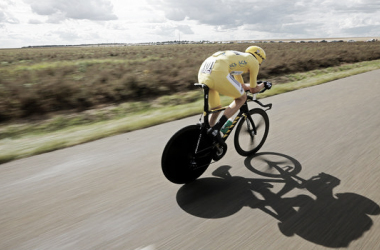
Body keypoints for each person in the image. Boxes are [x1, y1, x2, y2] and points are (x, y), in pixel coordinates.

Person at [198, 46, 272, 144]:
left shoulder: (240, 59)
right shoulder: (253, 62)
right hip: (218, 71)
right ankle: (217, 128)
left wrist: (251, 86)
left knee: (216, 108)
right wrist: (264, 84)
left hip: (204, 71)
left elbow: (240, 86)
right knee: (242, 98)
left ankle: (209, 136)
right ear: (260, 58)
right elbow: (254, 90)